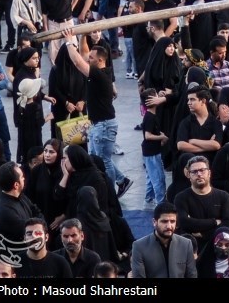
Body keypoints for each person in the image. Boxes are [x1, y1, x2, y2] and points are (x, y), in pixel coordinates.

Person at [60, 28, 132, 198]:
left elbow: (78, 62)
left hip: (104, 125)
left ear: (100, 60)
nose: (88, 59)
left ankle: (110, 193)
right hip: (99, 125)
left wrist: (69, 41)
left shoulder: (99, 75)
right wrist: (83, 34)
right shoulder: (99, 71)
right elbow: (83, 54)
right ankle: (122, 180)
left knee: (103, 161)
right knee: (97, 157)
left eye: (91, 58)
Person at [173, 155, 229, 254]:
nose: (199, 174)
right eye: (194, 171)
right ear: (188, 175)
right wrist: (215, 222)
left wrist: (204, 234)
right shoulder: (181, 198)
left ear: (209, 173)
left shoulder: (223, 196)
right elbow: (184, 223)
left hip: (218, 250)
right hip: (192, 251)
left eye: (202, 170)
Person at [130, 201, 197, 278]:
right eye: (164, 221)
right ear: (154, 222)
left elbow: (192, 275)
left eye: (172, 221)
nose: (169, 226)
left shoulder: (186, 244)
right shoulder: (139, 246)